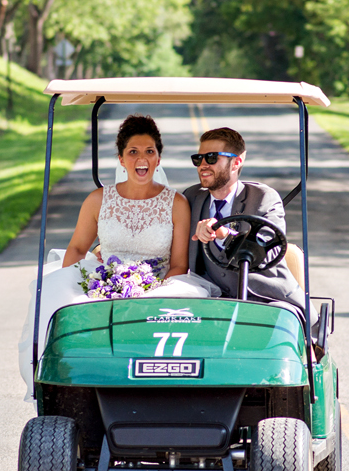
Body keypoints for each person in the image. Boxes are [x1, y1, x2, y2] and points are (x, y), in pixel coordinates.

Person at [19, 115, 216, 390]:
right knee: (53, 294)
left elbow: (179, 264)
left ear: (158, 159)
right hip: (105, 282)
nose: (141, 159)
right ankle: (61, 381)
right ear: (121, 160)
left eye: (149, 151)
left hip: (159, 284)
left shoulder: (176, 203)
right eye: (132, 152)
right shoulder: (98, 200)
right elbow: (77, 248)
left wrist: (146, 290)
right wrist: (80, 282)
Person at [182, 127, 306, 315]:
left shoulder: (264, 198)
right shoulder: (191, 197)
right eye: (198, 159)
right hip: (211, 301)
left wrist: (224, 236)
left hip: (265, 298)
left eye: (212, 158)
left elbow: (267, 253)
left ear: (236, 162)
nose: (203, 165)